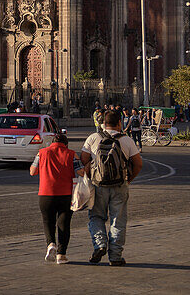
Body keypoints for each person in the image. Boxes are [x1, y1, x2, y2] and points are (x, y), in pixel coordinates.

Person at [80, 108, 143, 267]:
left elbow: (84, 159)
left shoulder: (93, 138)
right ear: (119, 123)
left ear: (102, 124)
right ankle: (115, 256)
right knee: (118, 220)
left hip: (98, 185)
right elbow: (138, 164)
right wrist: (128, 180)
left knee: (96, 216)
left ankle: (100, 244)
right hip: (120, 185)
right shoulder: (127, 140)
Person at [30, 131, 77, 265]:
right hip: (66, 194)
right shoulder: (71, 154)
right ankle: (61, 255)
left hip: (45, 194)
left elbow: (32, 171)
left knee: (48, 221)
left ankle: (50, 244)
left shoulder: (42, 152)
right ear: (65, 144)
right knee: (64, 223)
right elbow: (80, 171)